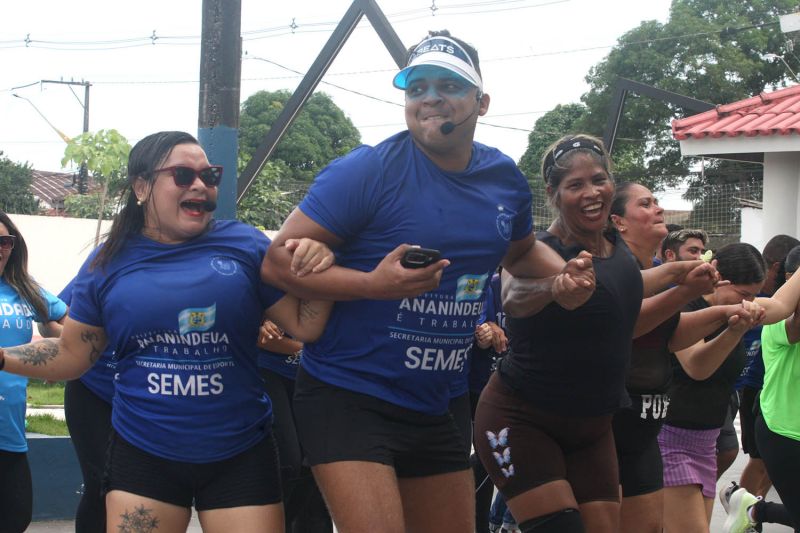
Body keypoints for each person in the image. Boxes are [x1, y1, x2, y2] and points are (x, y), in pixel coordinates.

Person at [260, 31, 586, 533]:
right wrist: (374, 285)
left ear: (481, 102)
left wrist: (567, 274)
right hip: (349, 394)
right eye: (417, 88)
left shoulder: (503, 179)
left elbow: (520, 252)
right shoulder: (367, 170)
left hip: (439, 400)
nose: (430, 98)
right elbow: (276, 264)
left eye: (449, 85)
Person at [0, 131, 334, 533]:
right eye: (182, 175)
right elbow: (72, 354)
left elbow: (305, 325)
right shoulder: (108, 262)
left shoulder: (245, 245)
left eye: (209, 175)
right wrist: (3, 358)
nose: (200, 185)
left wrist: (322, 264)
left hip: (240, 451)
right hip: (144, 454)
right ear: (141, 187)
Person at [474, 134, 716, 533]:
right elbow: (513, 296)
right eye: (575, 185)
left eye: (599, 180)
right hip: (521, 420)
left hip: (593, 428)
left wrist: (682, 280)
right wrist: (555, 288)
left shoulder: (615, 249)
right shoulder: (541, 248)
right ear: (553, 193)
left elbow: (626, 313)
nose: (591, 193)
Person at [609, 185, 759, 533]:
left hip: (670, 436)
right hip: (642, 431)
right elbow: (637, 325)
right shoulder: (620, 270)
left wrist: (731, 316)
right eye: (645, 203)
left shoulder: (670, 283)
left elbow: (673, 335)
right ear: (618, 221)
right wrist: (688, 289)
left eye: (656, 201)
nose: (659, 208)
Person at [724, 244, 800, 533]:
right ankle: (753, 510)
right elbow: (790, 319)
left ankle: (753, 509)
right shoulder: (780, 320)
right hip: (785, 432)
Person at [0, 211, 67, 533]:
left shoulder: (25, 290)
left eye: (4, 241)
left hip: (9, 428)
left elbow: (74, 332)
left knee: (15, 517)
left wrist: (57, 350)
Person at [256, 319, 332, 533]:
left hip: (316, 375)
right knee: (288, 459)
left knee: (316, 464)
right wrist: (315, 352)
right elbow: (263, 339)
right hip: (270, 371)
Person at [58, 277, 115, 533]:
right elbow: (52, 319)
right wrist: (72, 350)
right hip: (92, 390)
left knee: (142, 486)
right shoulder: (103, 264)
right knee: (101, 481)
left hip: (144, 394)